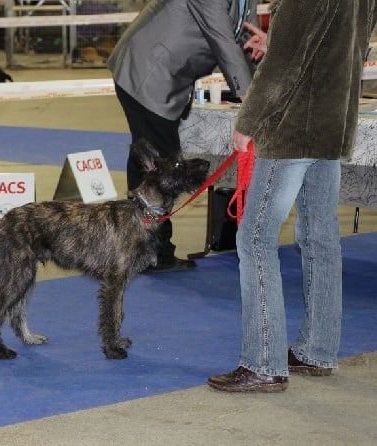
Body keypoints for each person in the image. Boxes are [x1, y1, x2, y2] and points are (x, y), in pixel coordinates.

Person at [208, 0, 377, 393]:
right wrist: (281, 39)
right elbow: (348, 44)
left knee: (255, 239)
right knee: (320, 238)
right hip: (332, 124)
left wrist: (249, 120)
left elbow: (287, 65)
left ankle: (262, 362)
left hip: (292, 131)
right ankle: (317, 350)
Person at [106, 0, 261, 273]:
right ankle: (152, 252)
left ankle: (139, 247)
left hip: (167, 76)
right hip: (147, 71)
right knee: (162, 166)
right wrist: (250, 98)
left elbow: (248, 38)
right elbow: (223, 40)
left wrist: (265, 86)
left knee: (148, 159)